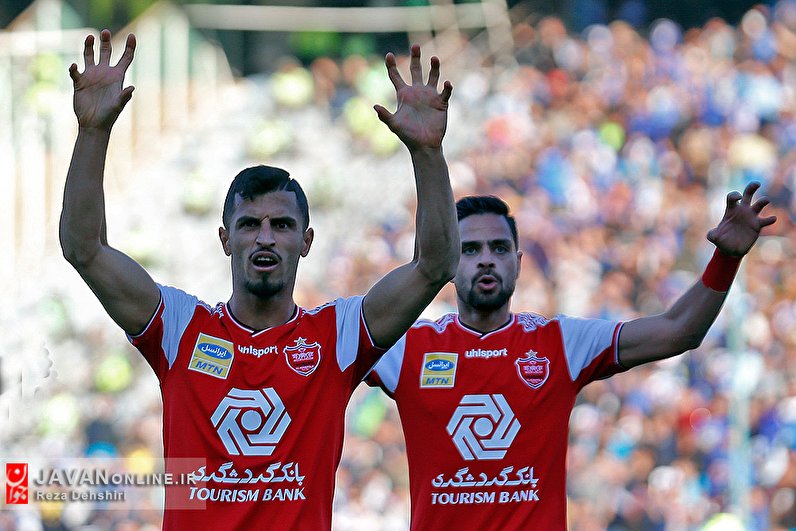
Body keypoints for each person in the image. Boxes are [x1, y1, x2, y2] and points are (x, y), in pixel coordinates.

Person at [60, 30, 458, 530]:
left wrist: (427, 153)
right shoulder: (181, 329)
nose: (265, 238)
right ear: (226, 239)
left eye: (282, 225)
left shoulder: (337, 338)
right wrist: (92, 133)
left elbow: (435, 266)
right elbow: (84, 249)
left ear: (306, 241)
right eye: (250, 224)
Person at [367, 189, 776, 530]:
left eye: (499, 248)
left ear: (518, 264)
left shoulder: (560, 342)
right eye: (470, 249)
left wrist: (726, 260)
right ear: (449, 264)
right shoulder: (405, 347)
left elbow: (678, 330)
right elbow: (330, 356)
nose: (486, 259)